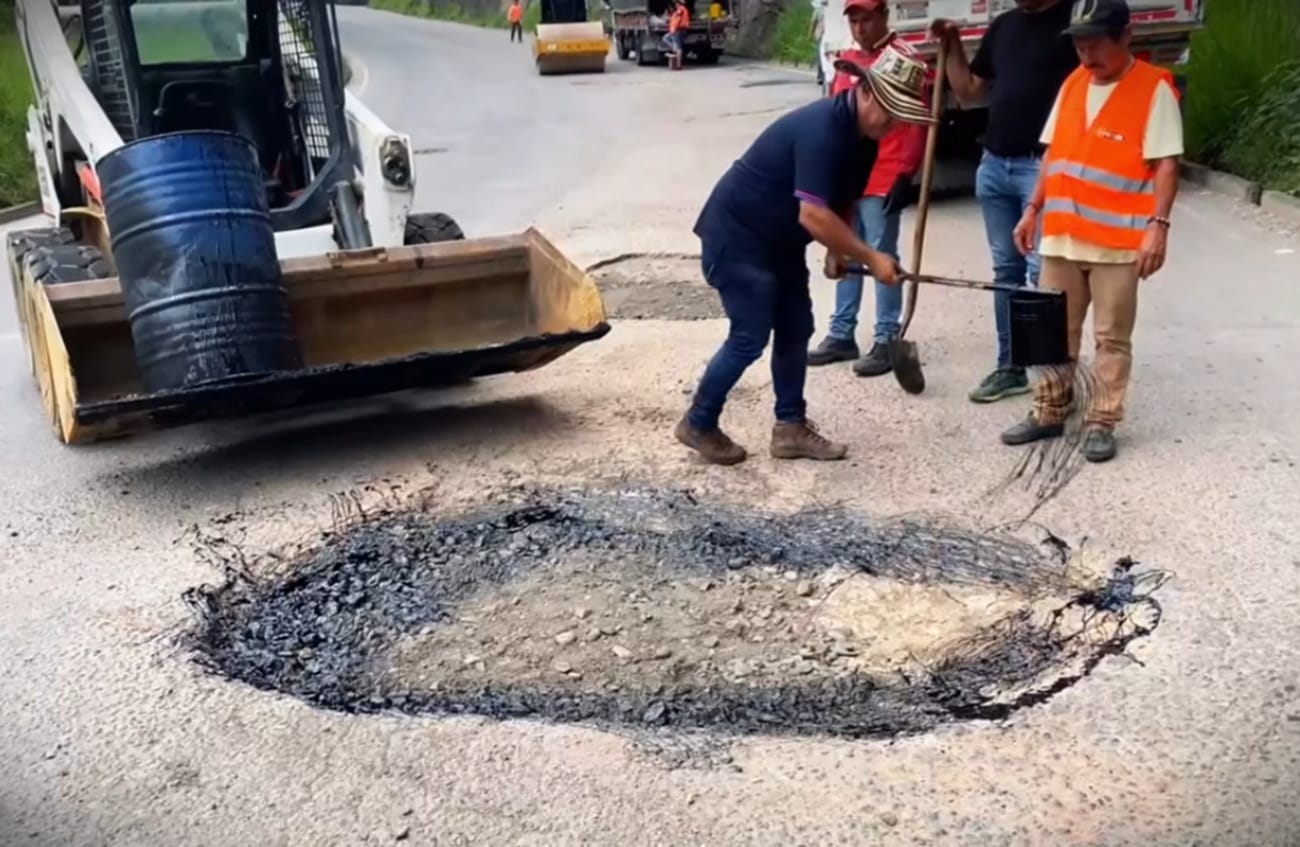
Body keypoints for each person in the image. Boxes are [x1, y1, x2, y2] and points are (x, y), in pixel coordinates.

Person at [676, 47, 934, 466]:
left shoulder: (866, 139)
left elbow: (842, 200)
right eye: (888, 112)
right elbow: (813, 213)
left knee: (797, 325)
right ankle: (699, 421)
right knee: (750, 335)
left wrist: (838, 249)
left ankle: (790, 427)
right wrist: (871, 256)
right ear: (865, 91)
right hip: (737, 236)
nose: (891, 124)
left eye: (899, 115)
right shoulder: (823, 130)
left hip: (780, 241)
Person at [1000, 0, 1182, 463]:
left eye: (1096, 45)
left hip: (1118, 242)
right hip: (1061, 234)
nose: (1087, 56)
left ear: (1126, 37)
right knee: (1052, 332)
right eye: (1080, 46)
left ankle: (1102, 419)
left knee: (1111, 337)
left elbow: (1165, 165)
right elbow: (1053, 154)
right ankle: (1050, 409)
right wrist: (1032, 209)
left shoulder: (1153, 89)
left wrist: (1157, 228)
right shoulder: (1074, 84)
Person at [930, 0, 1079, 404]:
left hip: (1041, 166)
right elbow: (967, 92)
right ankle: (1011, 365)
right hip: (995, 164)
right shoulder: (1005, 26)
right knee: (1006, 271)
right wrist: (954, 43)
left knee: (1041, 273)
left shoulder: (1072, 22)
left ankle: (1049, 375)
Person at [807, 0, 928, 377]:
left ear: (884, 16)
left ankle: (887, 337)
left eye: (867, 19)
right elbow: (835, 116)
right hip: (849, 176)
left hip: (884, 173)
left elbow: (915, 120)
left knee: (880, 255)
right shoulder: (847, 60)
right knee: (846, 250)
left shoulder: (902, 58)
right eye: (854, 20)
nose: (860, 27)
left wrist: (906, 172)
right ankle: (843, 333)